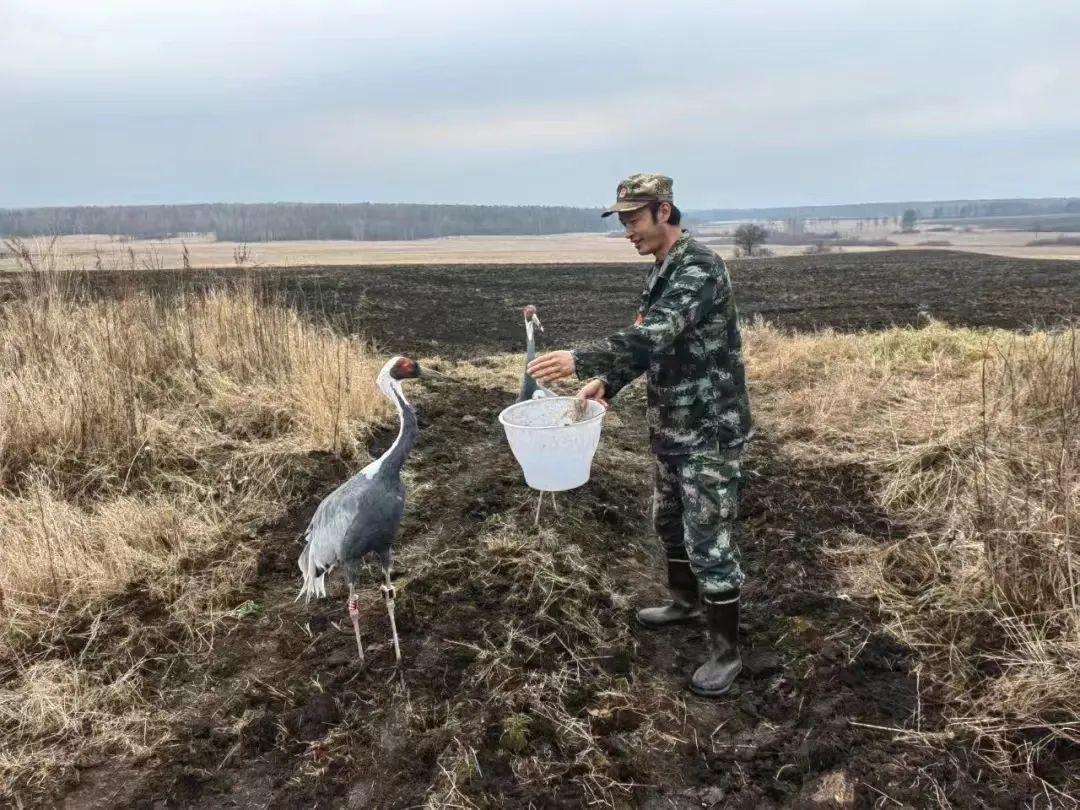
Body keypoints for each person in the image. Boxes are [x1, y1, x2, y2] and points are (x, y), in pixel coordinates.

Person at [527, 173, 752, 697]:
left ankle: (726, 653)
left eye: (634, 220)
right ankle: (684, 601)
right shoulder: (663, 271)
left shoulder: (698, 268)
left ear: (664, 212)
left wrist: (581, 358)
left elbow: (656, 331)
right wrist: (609, 380)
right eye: (623, 221)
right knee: (668, 520)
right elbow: (652, 350)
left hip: (709, 430)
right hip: (671, 425)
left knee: (708, 537)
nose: (628, 231)